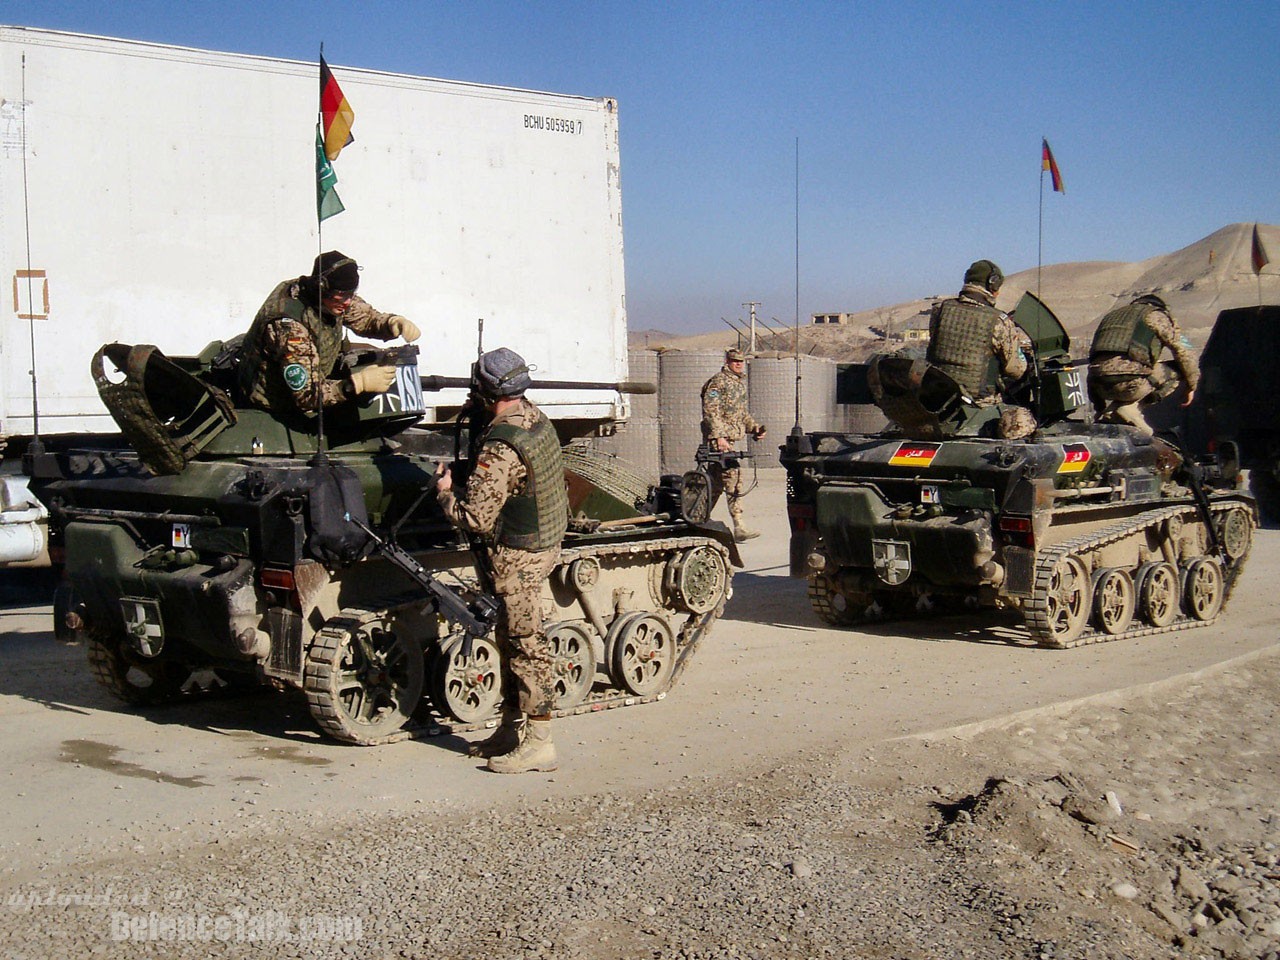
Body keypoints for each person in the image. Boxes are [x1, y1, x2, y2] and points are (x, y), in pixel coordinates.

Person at [435, 347, 569, 774]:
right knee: (512, 640)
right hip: (541, 544)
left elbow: (475, 518)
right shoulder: (535, 419)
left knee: (526, 645)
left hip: (517, 557)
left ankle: (540, 742)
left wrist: (444, 492)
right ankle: (512, 730)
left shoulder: (501, 446)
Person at [237, 251, 420, 417]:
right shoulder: (290, 328)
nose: (348, 302)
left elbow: (363, 317)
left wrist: (391, 323)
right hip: (274, 405)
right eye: (342, 296)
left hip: (315, 384)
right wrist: (357, 384)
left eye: (351, 294)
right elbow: (306, 395)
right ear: (321, 288)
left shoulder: (332, 300)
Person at [926, 259, 1036, 439]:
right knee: (1027, 419)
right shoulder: (999, 321)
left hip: (937, 402)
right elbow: (1015, 370)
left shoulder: (939, 310)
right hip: (979, 407)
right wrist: (1026, 360)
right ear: (993, 285)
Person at [1087, 294, 1199, 436]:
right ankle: (1133, 407)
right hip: (1130, 383)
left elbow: (1095, 357)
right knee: (1178, 368)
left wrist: (1099, 406)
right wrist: (1191, 386)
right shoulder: (1155, 315)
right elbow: (1184, 352)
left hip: (1098, 387)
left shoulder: (1111, 317)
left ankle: (1110, 411)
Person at [700, 347, 766, 541]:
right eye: (734, 361)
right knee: (733, 477)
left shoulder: (738, 385)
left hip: (730, 440)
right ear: (727, 361)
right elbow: (711, 411)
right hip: (719, 441)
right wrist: (718, 437)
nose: (738, 364)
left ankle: (698, 518)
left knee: (716, 483)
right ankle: (739, 525)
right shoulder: (718, 382)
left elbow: (740, 415)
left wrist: (754, 428)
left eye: (740, 361)